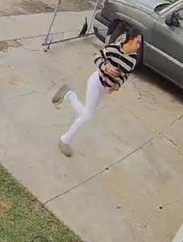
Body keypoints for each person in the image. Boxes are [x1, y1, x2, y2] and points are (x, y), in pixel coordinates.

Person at [51, 28, 142, 157]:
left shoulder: (132, 60)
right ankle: (65, 140)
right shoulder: (114, 49)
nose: (139, 46)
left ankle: (69, 95)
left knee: (87, 114)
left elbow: (126, 75)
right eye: (137, 42)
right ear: (130, 40)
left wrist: (117, 84)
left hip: (105, 88)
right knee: (87, 116)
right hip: (96, 82)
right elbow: (96, 56)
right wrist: (106, 68)